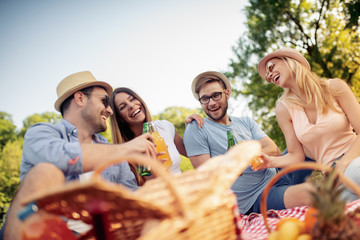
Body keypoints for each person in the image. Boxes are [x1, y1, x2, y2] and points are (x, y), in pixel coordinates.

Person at [2, 71, 158, 240]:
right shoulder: (41, 133)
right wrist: (126, 148)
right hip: (39, 232)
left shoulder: (114, 155)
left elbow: (131, 200)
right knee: (46, 172)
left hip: (97, 235)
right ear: (80, 99)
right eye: (104, 101)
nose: (110, 111)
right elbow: (59, 157)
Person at [183, 71, 315, 215]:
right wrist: (247, 156)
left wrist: (242, 156)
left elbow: (272, 148)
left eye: (216, 95)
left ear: (226, 93)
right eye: (205, 99)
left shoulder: (245, 121)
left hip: (278, 173)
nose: (211, 103)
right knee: (310, 193)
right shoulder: (197, 128)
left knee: (309, 139)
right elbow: (208, 176)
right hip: (256, 197)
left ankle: (338, 166)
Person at [257, 47, 360, 201]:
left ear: (289, 60)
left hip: (354, 158)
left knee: (354, 173)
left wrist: (343, 164)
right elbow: (296, 156)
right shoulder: (283, 109)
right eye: (267, 76)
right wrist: (271, 161)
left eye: (271, 67)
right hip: (331, 176)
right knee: (327, 212)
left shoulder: (334, 87)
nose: (270, 75)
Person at [109, 87, 202, 185]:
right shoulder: (124, 151)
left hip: (184, 191)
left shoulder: (165, 126)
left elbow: (193, 152)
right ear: (120, 118)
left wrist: (191, 126)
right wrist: (150, 172)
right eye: (122, 107)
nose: (131, 105)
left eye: (132, 99)